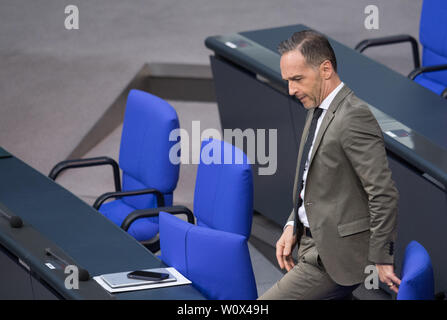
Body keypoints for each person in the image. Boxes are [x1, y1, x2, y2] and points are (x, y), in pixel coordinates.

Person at [259, 30, 400, 300]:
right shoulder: (316, 108)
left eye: (297, 79)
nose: (291, 90)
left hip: (333, 257)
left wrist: (382, 256)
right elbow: (310, 182)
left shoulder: (354, 117)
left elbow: (383, 192)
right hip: (310, 242)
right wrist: (292, 225)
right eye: (287, 81)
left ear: (325, 69)